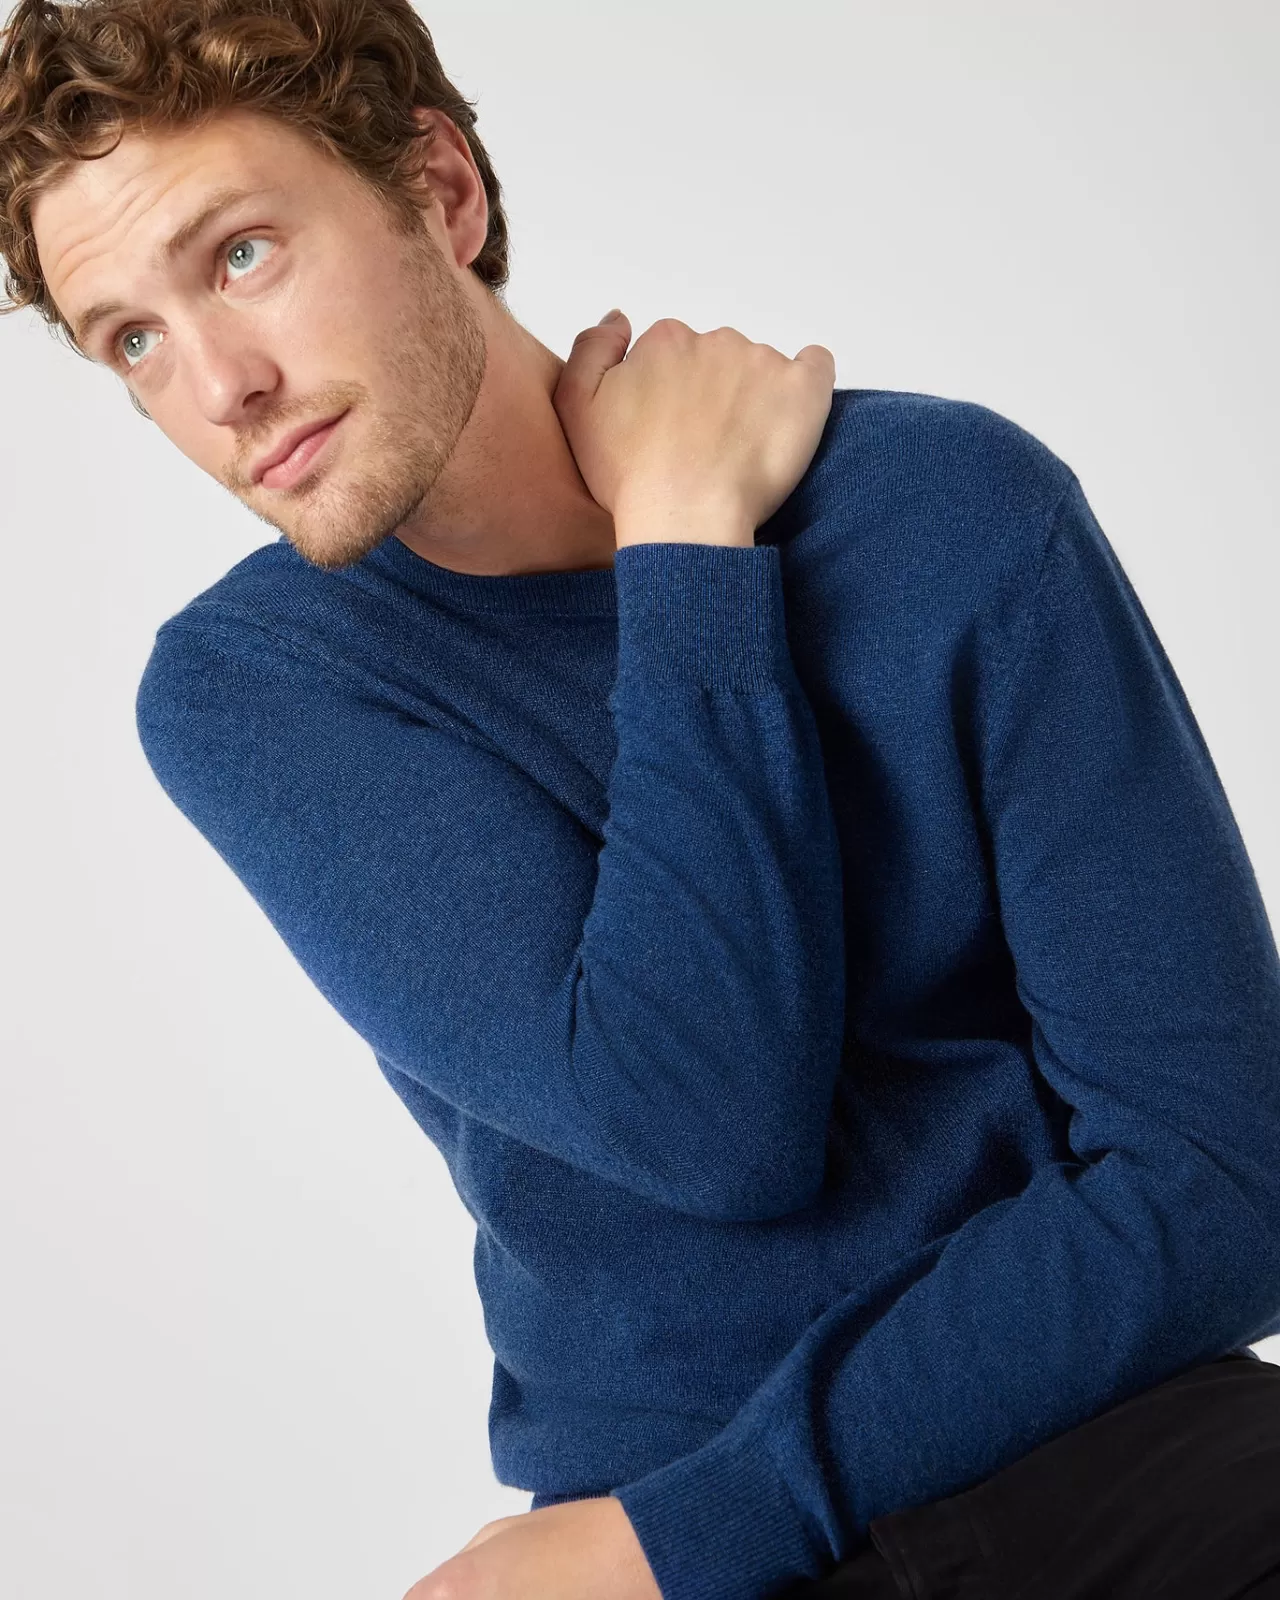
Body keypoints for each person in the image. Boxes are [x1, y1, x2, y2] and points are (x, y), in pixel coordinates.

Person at [4, 2, 1279, 1598]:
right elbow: (707, 1120)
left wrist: (684, 1532)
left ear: (441, 192)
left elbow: (1228, 1177)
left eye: (242, 255)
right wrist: (688, 548)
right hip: (667, 1528)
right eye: (130, 341)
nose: (220, 388)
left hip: (1084, 1448)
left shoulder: (952, 515)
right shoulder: (258, 692)